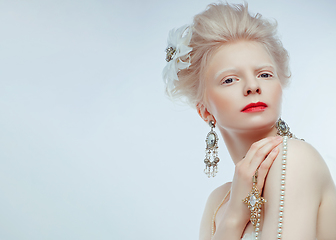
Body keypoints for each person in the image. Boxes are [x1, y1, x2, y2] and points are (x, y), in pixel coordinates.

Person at [162, 3, 336, 240]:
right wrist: (234, 217)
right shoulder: (219, 203)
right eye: (230, 80)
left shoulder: (294, 159)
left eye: (264, 74)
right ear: (205, 112)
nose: (253, 86)